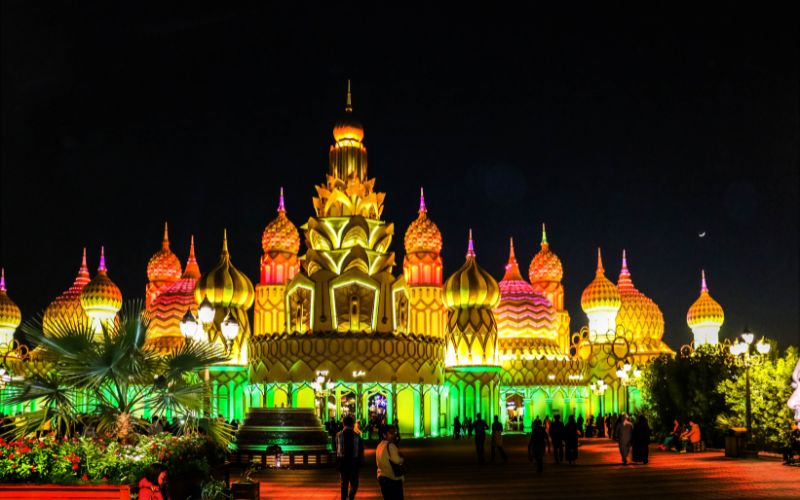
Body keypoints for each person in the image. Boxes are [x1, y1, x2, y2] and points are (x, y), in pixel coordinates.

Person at [336, 415, 364, 500]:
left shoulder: (338, 435)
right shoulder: (357, 436)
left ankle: (344, 498)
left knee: (344, 484)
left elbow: (336, 449)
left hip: (342, 463)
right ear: (352, 424)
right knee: (354, 484)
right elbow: (360, 450)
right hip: (353, 463)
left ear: (343, 423)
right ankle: (351, 496)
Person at [376, 425, 404, 499]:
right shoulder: (390, 445)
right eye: (391, 433)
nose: (393, 435)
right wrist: (402, 459)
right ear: (384, 435)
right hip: (392, 478)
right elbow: (397, 460)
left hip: (382, 477)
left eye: (394, 432)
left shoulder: (379, 445)